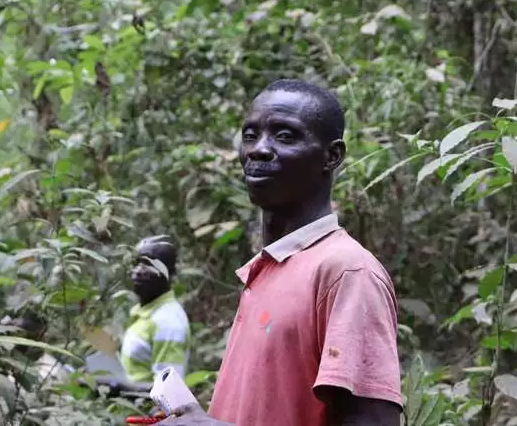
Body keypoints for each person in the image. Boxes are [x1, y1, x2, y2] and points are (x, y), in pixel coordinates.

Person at [162, 79, 402, 425]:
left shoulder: (347, 272)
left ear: (332, 156)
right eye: (250, 135)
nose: (259, 149)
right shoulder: (269, 268)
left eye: (285, 136)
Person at [94, 235, 192, 395]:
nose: (138, 271)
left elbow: (169, 391)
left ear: (169, 274)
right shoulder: (147, 313)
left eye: (149, 264)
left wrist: (118, 386)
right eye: (137, 263)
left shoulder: (168, 322)